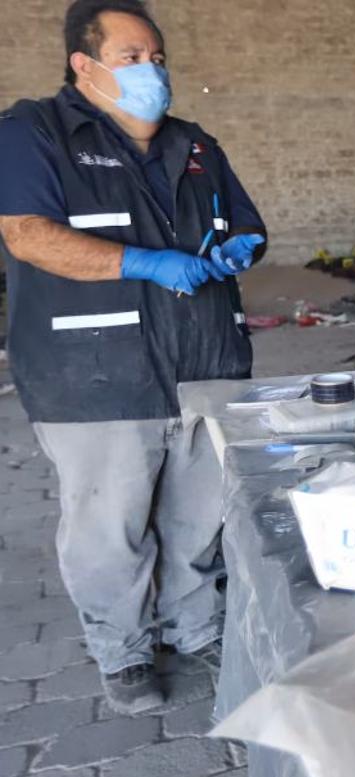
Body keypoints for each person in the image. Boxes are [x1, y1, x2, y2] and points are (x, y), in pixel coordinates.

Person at [0, 0, 268, 713]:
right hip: (95, 373)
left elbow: (245, 221)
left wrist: (245, 243)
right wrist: (144, 263)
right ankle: (122, 651)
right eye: (131, 58)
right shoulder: (33, 133)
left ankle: (195, 627)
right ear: (82, 66)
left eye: (156, 57)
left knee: (198, 513)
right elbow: (27, 234)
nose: (152, 70)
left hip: (207, 358)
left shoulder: (196, 143)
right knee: (108, 524)